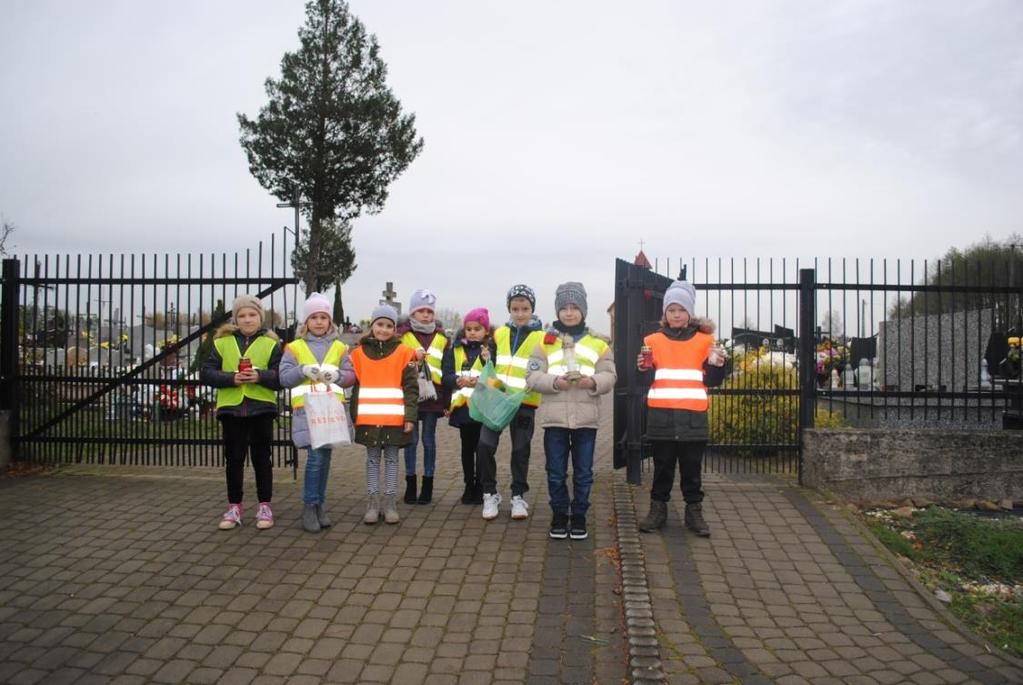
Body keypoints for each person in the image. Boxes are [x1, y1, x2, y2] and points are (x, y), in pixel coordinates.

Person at [527, 283, 616, 540]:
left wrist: (593, 383)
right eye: (564, 307)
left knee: (584, 472)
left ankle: (578, 515)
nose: (568, 312)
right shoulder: (545, 341)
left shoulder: (598, 343)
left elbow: (610, 375)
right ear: (557, 310)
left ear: (583, 310)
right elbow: (532, 376)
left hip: (586, 421)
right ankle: (558, 514)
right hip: (554, 419)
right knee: (555, 472)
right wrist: (555, 382)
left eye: (574, 307)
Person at [637, 281, 726, 536]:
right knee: (662, 467)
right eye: (671, 310)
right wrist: (642, 368)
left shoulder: (705, 341)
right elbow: (644, 380)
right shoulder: (652, 340)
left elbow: (712, 380)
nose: (676, 315)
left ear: (690, 313)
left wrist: (719, 366)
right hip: (661, 416)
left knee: (692, 468)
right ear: (664, 314)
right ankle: (657, 510)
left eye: (681, 310)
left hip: (693, 417)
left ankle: (694, 513)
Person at [200, 294, 282, 530]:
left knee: (262, 459)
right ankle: (234, 506)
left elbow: (281, 377)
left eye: (252, 315)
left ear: (260, 317)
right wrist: (230, 378)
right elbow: (206, 373)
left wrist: (260, 375)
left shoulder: (271, 343)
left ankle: (264, 505)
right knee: (233, 460)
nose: (247, 320)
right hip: (231, 410)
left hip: (261, 409)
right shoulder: (222, 343)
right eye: (242, 315)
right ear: (236, 319)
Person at [339, 304, 418, 525]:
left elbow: (411, 388)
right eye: (380, 324)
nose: (384, 329)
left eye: (389, 325)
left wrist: (410, 417)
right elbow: (354, 388)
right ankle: (373, 503)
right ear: (372, 326)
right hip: (368, 419)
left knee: (392, 460)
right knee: (372, 460)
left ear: (395, 329)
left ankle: (390, 503)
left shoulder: (405, 353)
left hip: (395, 420)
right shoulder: (358, 354)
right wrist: (354, 416)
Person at [278, 292, 348, 533]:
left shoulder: (340, 347)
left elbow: (351, 376)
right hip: (307, 412)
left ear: (330, 321)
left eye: (323, 317)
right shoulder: (295, 347)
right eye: (314, 317)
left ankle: (319, 504)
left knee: (325, 460)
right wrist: (302, 370)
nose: (319, 322)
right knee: (316, 459)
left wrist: (338, 375)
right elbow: (284, 378)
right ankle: (310, 505)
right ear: (305, 322)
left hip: (330, 412)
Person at [476, 285, 545, 520]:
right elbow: (489, 363)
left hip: (525, 402)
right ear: (509, 309)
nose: (519, 313)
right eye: (515, 308)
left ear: (532, 309)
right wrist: (483, 359)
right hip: (498, 400)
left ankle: (518, 496)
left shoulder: (543, 338)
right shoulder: (498, 334)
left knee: (520, 450)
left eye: (525, 308)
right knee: (485, 445)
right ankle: (489, 493)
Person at [397, 289, 449, 504]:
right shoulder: (402, 336)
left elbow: (446, 370)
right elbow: (398, 364)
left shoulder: (442, 338)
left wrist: (447, 402)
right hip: (410, 395)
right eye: (421, 311)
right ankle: (410, 484)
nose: (426, 315)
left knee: (429, 441)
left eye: (429, 311)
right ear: (412, 313)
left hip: (433, 398)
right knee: (411, 440)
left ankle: (428, 484)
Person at [441, 308, 495, 505]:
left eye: (477, 329)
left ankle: (482, 486)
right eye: (469, 329)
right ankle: (468, 485)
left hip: (483, 408)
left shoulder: (490, 351)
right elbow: (445, 377)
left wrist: (478, 380)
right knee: (467, 448)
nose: (472, 332)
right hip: (463, 409)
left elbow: (495, 380)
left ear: (485, 331)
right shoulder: (454, 350)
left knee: (483, 449)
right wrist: (457, 380)